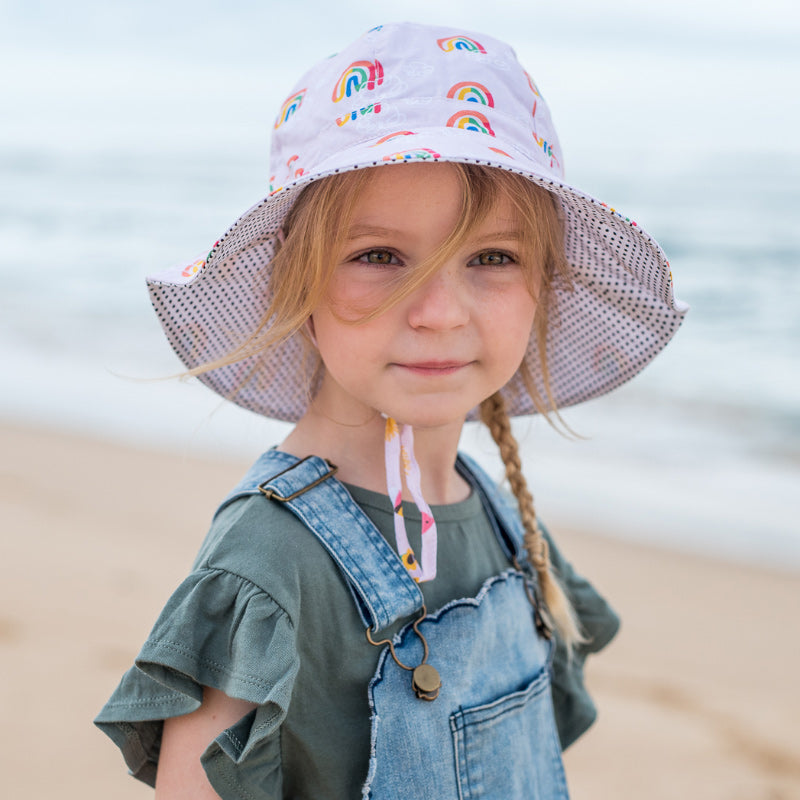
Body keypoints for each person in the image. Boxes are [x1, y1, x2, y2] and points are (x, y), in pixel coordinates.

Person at [95, 21, 687, 800]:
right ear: (297, 284)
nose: (439, 311)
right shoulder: (271, 567)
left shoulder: (505, 521)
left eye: (492, 258)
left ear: (544, 284)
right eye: (379, 256)